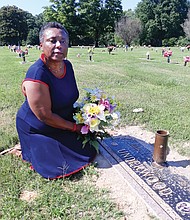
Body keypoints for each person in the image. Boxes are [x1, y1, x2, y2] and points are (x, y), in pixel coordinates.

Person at [16, 22, 97, 179]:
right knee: (59, 166)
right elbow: (44, 116)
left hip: (62, 121)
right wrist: (74, 127)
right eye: (52, 41)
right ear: (41, 45)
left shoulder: (67, 65)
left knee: (89, 148)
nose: (59, 45)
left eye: (63, 41)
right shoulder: (37, 74)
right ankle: (27, 147)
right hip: (38, 127)